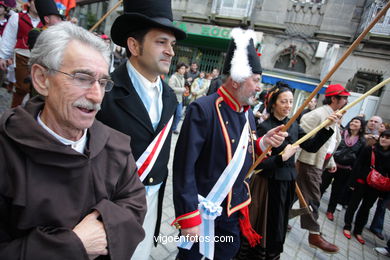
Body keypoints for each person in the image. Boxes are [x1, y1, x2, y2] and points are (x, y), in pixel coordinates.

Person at [0, 21, 146, 260]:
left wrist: (104, 225)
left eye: (101, 82)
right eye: (82, 78)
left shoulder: (115, 146)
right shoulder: (6, 150)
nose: (96, 96)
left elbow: (135, 203)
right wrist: (74, 244)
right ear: (41, 79)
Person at [172, 28, 288, 260]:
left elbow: (243, 156)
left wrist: (263, 142)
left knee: (227, 252)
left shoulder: (247, 114)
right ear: (236, 80)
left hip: (232, 210)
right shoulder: (202, 109)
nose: (259, 87)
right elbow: (183, 168)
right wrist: (188, 217)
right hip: (202, 210)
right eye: (255, 80)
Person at [96, 0, 187, 259]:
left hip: (151, 207)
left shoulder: (170, 97)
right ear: (134, 46)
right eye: (161, 42)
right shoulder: (105, 92)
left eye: (172, 44)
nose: (170, 51)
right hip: (109, 212)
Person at [242, 83, 336, 260]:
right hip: (267, 185)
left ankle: (272, 255)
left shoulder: (292, 125)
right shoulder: (265, 127)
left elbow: (312, 146)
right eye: (283, 101)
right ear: (273, 104)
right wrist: (281, 158)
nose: (288, 106)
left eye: (291, 101)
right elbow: (257, 165)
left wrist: (327, 127)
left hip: (288, 182)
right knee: (267, 223)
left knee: (280, 223)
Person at [296, 83, 350, 253]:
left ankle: (278, 219)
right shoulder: (318, 114)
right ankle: (314, 233)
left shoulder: (335, 115)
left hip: (320, 163)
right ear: (334, 98)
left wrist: (331, 161)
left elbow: (330, 144)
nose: (347, 101)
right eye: (344, 98)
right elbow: (302, 138)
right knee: (313, 198)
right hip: (308, 163)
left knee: (290, 195)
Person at [343, 129, 390, 245]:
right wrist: (352, 183)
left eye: (388, 138)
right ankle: (347, 226)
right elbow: (358, 165)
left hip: (376, 187)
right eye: (383, 136)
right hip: (361, 182)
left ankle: (358, 231)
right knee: (353, 204)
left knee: (365, 209)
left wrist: (384, 193)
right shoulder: (370, 148)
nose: (384, 139)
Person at [320, 116, 366, 221]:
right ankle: (313, 205)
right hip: (332, 165)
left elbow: (359, 159)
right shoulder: (340, 133)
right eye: (352, 120)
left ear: (361, 127)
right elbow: (331, 147)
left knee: (337, 191)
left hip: (346, 170)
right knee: (322, 185)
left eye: (357, 122)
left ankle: (330, 211)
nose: (353, 123)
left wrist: (352, 172)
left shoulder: (362, 141)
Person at [0, 0, 43, 107]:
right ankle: (14, 115)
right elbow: (8, 38)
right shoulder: (17, 17)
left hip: (41, 60)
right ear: (29, 3)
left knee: (38, 91)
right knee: (21, 88)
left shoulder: (48, 21)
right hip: (21, 58)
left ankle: (32, 116)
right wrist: (3, 57)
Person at [169, 62, 187, 134]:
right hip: (173, 99)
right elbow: (171, 88)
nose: (183, 70)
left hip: (180, 99)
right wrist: (182, 89)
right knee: (171, 114)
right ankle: (169, 129)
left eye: (184, 69)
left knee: (179, 115)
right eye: (182, 68)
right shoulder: (174, 77)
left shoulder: (183, 78)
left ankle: (174, 128)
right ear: (178, 69)